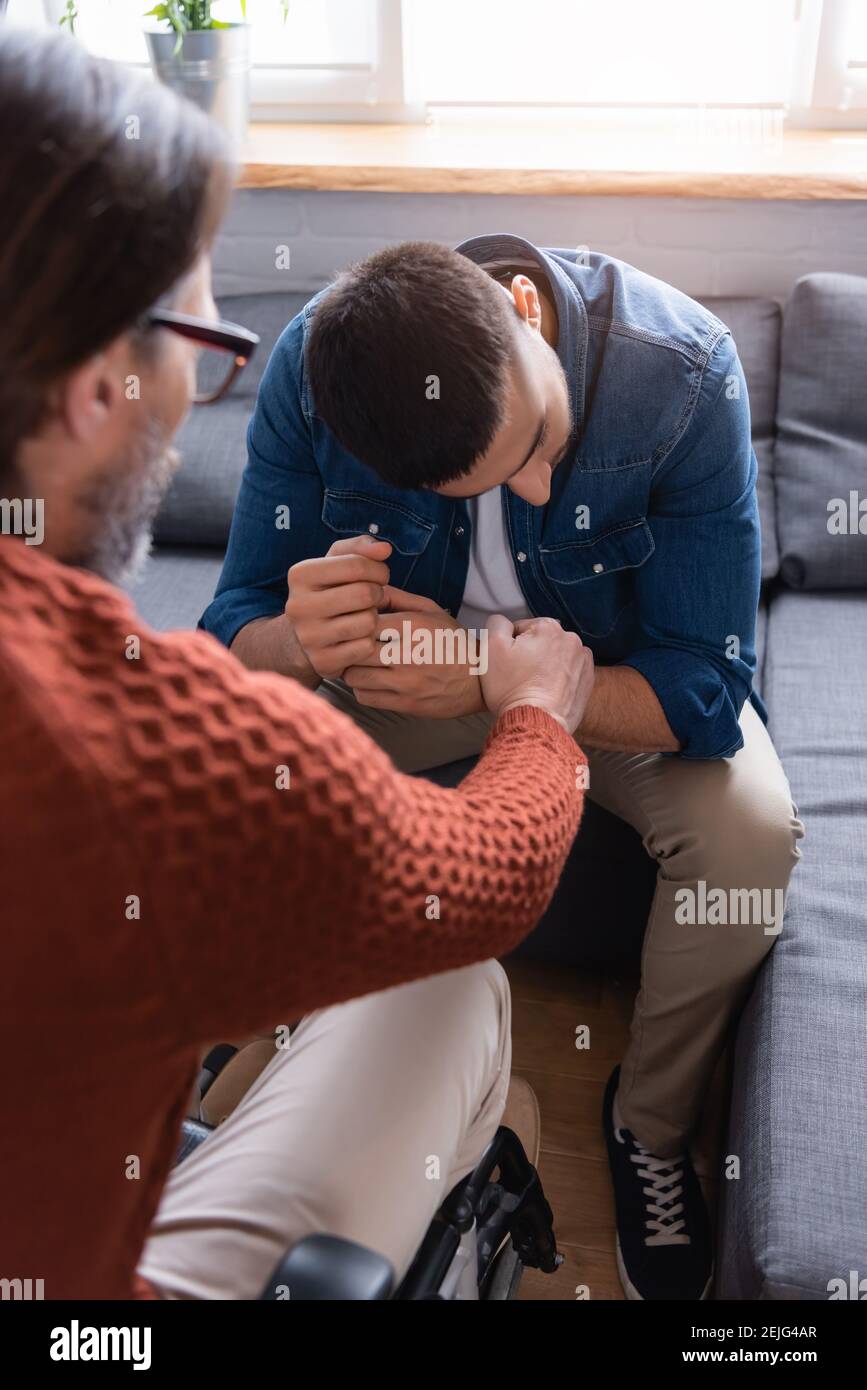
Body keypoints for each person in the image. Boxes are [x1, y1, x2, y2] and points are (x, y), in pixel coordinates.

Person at [0, 28, 595, 1301]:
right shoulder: (135, 739)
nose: (197, 395)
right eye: (195, 349)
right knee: (453, 981)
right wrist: (537, 716)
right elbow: (483, 878)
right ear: (95, 385)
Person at [202, 238, 805, 1300]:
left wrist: (494, 683)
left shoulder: (684, 372)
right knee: (236, 750)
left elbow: (709, 685)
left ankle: (650, 1129)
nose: (532, 483)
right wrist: (298, 638)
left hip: (599, 693)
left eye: (534, 443)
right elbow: (235, 626)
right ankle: (259, 1057)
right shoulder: (317, 371)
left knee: (750, 832)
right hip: (404, 687)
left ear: (523, 308)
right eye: (481, 484)